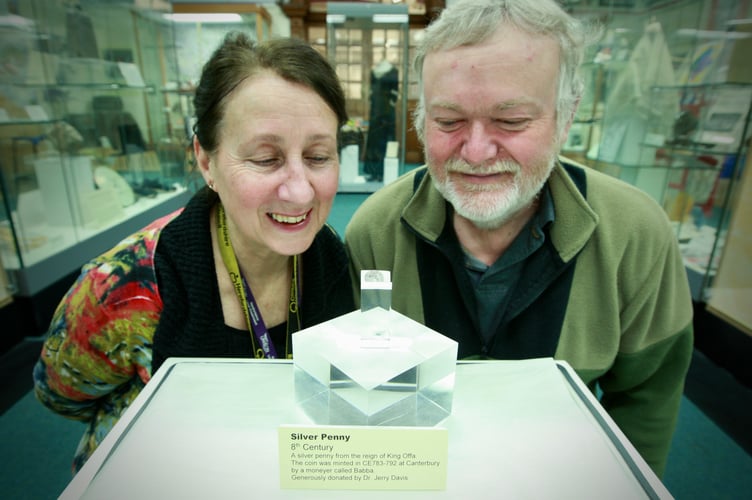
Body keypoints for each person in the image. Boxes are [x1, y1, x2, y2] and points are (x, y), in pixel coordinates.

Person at [345, 0, 693, 478]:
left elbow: (646, 399)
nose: (477, 151)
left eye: (511, 122)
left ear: (565, 118)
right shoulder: (374, 231)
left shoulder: (635, 234)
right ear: (421, 121)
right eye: (448, 121)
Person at [33, 33, 355, 473]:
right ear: (206, 162)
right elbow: (60, 391)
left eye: (319, 156)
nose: (300, 191)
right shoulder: (130, 284)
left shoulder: (331, 257)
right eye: (265, 159)